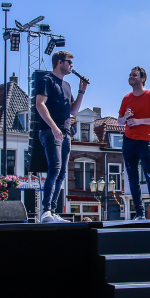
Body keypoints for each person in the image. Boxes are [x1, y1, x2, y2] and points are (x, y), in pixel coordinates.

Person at [36, 51, 87, 223]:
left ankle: (52, 210)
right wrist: (53, 127)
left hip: (65, 132)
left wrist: (81, 91)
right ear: (59, 62)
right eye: (69, 62)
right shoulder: (47, 80)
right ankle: (46, 211)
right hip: (51, 131)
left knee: (62, 173)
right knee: (54, 169)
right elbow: (39, 104)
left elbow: (73, 111)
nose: (72, 66)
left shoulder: (67, 86)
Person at [117, 66, 150, 220]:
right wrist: (125, 117)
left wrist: (139, 121)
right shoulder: (126, 98)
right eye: (130, 74)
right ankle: (139, 213)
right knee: (132, 178)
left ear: (142, 79)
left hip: (147, 140)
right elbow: (119, 121)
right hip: (129, 141)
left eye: (135, 75)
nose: (131, 76)